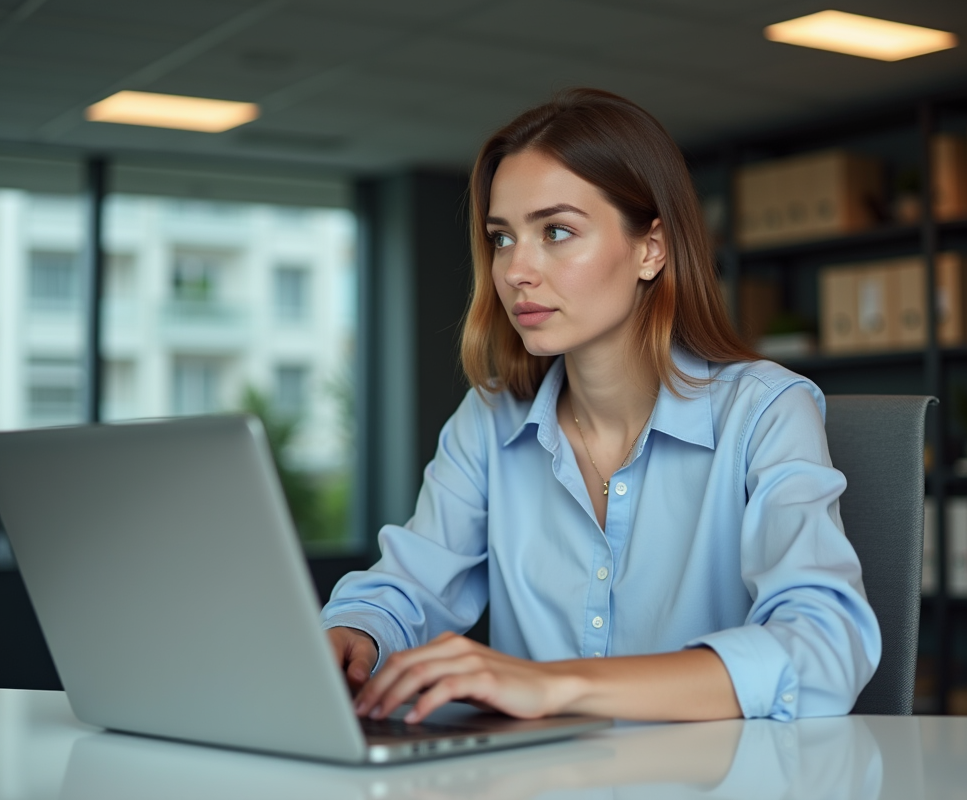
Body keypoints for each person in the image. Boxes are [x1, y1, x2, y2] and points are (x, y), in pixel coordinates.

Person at [322, 88, 880, 725]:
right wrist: (355, 636)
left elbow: (825, 646)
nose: (516, 272)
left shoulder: (764, 412)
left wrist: (559, 685)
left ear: (652, 248)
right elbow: (408, 589)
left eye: (556, 231)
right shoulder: (490, 419)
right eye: (502, 239)